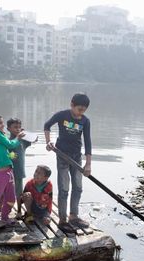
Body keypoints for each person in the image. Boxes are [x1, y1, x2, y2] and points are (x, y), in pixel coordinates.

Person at [44, 93, 92, 230]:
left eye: (83, 110)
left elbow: (88, 142)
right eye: (78, 109)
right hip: (62, 155)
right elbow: (47, 125)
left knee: (78, 187)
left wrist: (88, 164)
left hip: (77, 157)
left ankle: (74, 216)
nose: (80, 113)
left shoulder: (85, 121)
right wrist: (48, 142)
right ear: (72, 104)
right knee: (64, 188)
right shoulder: (62, 115)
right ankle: (63, 220)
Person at [6, 117, 34, 216]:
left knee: (19, 191)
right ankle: (3, 209)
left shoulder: (23, 141)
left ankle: (18, 210)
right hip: (8, 170)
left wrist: (26, 133)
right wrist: (10, 156)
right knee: (6, 190)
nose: (17, 129)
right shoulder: (7, 141)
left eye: (19, 127)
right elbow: (4, 154)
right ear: (8, 128)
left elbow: (35, 139)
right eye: (15, 127)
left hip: (19, 170)